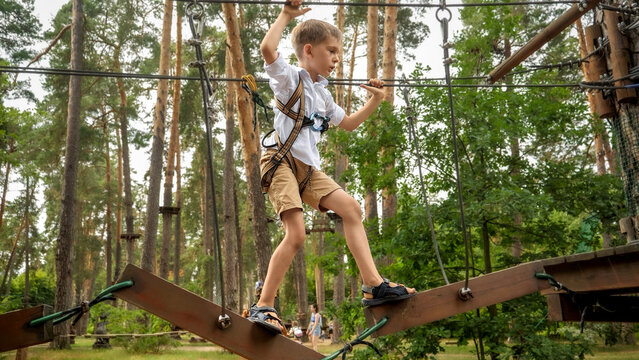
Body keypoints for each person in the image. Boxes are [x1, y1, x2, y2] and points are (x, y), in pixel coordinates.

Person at [247, 0, 416, 335]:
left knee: (351, 209)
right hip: (280, 161)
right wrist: (286, 16)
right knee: (295, 236)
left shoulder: (323, 94)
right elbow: (268, 48)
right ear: (309, 51)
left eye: (339, 53)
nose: (337, 58)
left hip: (308, 170)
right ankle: (264, 305)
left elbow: (349, 123)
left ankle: (373, 284)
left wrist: (375, 100)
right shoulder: (288, 78)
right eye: (332, 51)